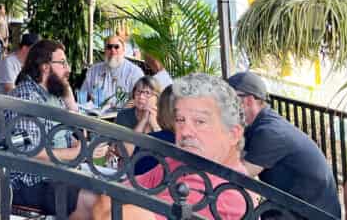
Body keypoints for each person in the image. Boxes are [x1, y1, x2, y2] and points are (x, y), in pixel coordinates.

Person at [90, 73, 250, 220]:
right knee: (85, 199)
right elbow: (110, 194)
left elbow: (114, 213)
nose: (185, 131)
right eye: (180, 120)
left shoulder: (230, 195)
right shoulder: (181, 162)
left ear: (233, 135)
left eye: (200, 122)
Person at [228, 71, 341, 218]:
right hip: (300, 208)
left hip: (310, 214)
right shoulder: (262, 123)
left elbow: (238, 176)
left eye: (228, 100)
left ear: (248, 101)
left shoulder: (269, 132)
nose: (223, 106)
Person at [6, 40, 98, 216]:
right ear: (45, 67)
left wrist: (71, 103)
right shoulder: (26, 97)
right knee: (93, 201)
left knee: (107, 193)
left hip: (58, 175)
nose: (68, 68)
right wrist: (79, 153)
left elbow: (80, 138)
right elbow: (29, 152)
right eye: (62, 63)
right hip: (32, 182)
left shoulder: (54, 96)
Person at [80, 34, 143, 107]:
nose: (112, 50)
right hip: (95, 115)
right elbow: (83, 94)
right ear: (105, 50)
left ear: (123, 50)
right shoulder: (93, 70)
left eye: (116, 47)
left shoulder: (134, 72)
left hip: (122, 116)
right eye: (109, 47)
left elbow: (140, 99)